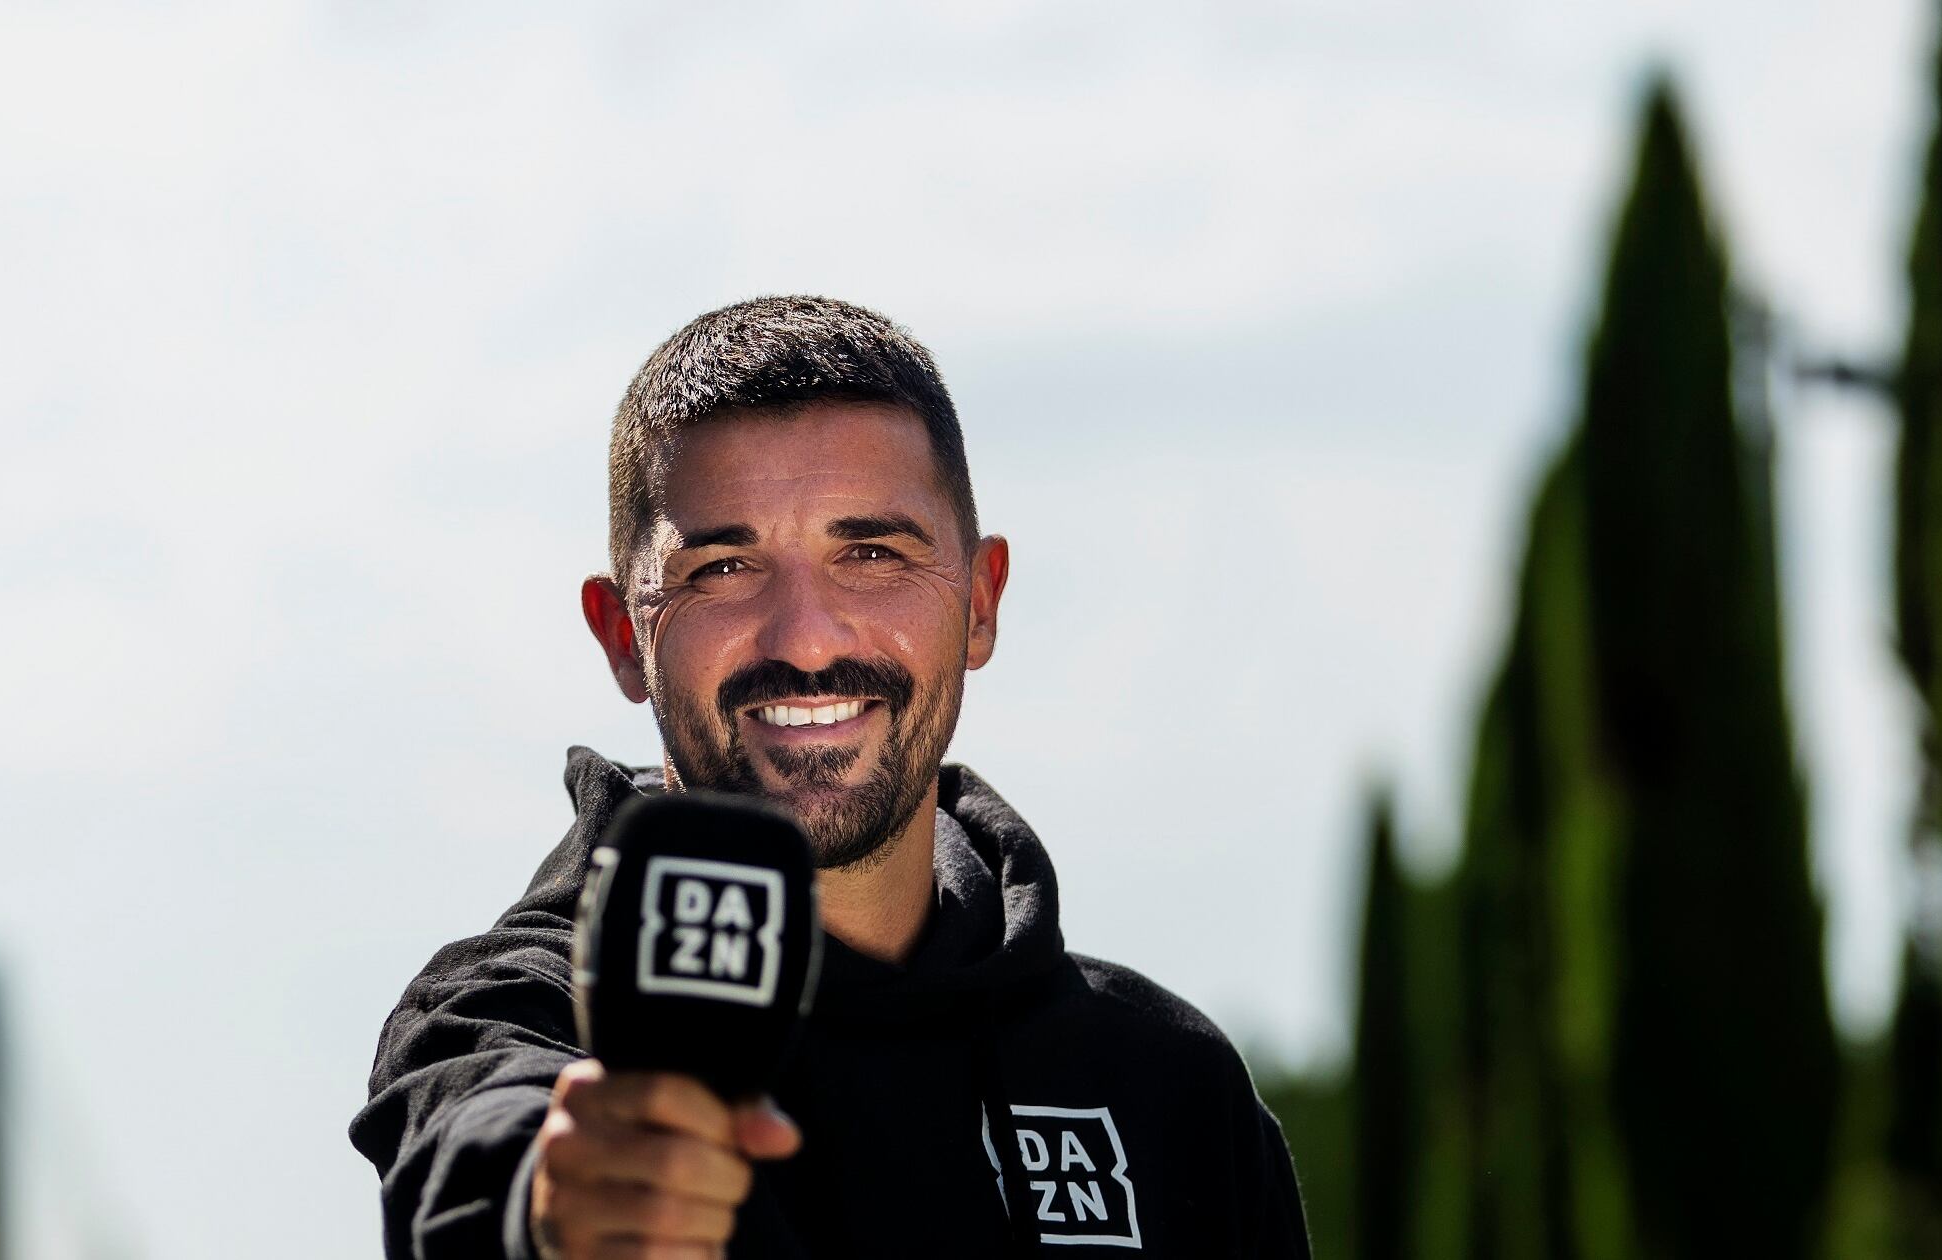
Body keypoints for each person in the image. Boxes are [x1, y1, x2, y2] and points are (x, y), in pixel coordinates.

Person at [349, 296, 1312, 1258]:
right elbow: (481, 1141)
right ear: (621, 635)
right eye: (724, 569)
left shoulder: (1173, 1088)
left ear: (980, 604)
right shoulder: (515, 1013)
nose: (806, 642)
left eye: (872, 554)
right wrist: (552, 1209)